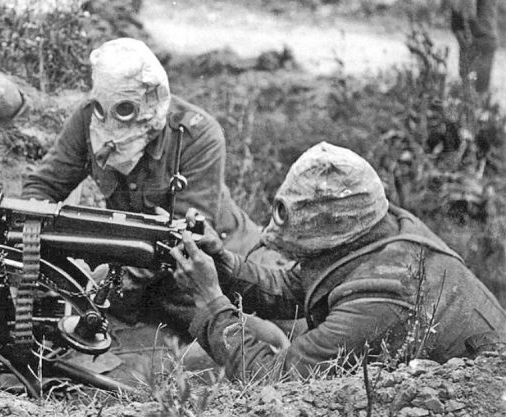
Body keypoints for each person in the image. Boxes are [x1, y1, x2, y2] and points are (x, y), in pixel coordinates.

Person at [170, 142, 506, 380]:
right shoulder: (379, 228)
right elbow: (296, 286)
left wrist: (211, 301)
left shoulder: (382, 294)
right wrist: (224, 264)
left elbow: (273, 380)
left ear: (334, 228)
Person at [21, 37, 285, 332]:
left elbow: (187, 239)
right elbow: (42, 187)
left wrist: (105, 279)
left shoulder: (197, 135)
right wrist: (42, 249)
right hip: (139, 262)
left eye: (125, 109)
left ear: (153, 99)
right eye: (102, 106)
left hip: (215, 261)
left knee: (265, 338)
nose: (111, 121)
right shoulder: (87, 119)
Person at [446, 0, 500, 93]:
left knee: (470, 89)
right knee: (475, 91)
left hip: (478, 37)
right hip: (481, 37)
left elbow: (463, 7)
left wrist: (456, 27)